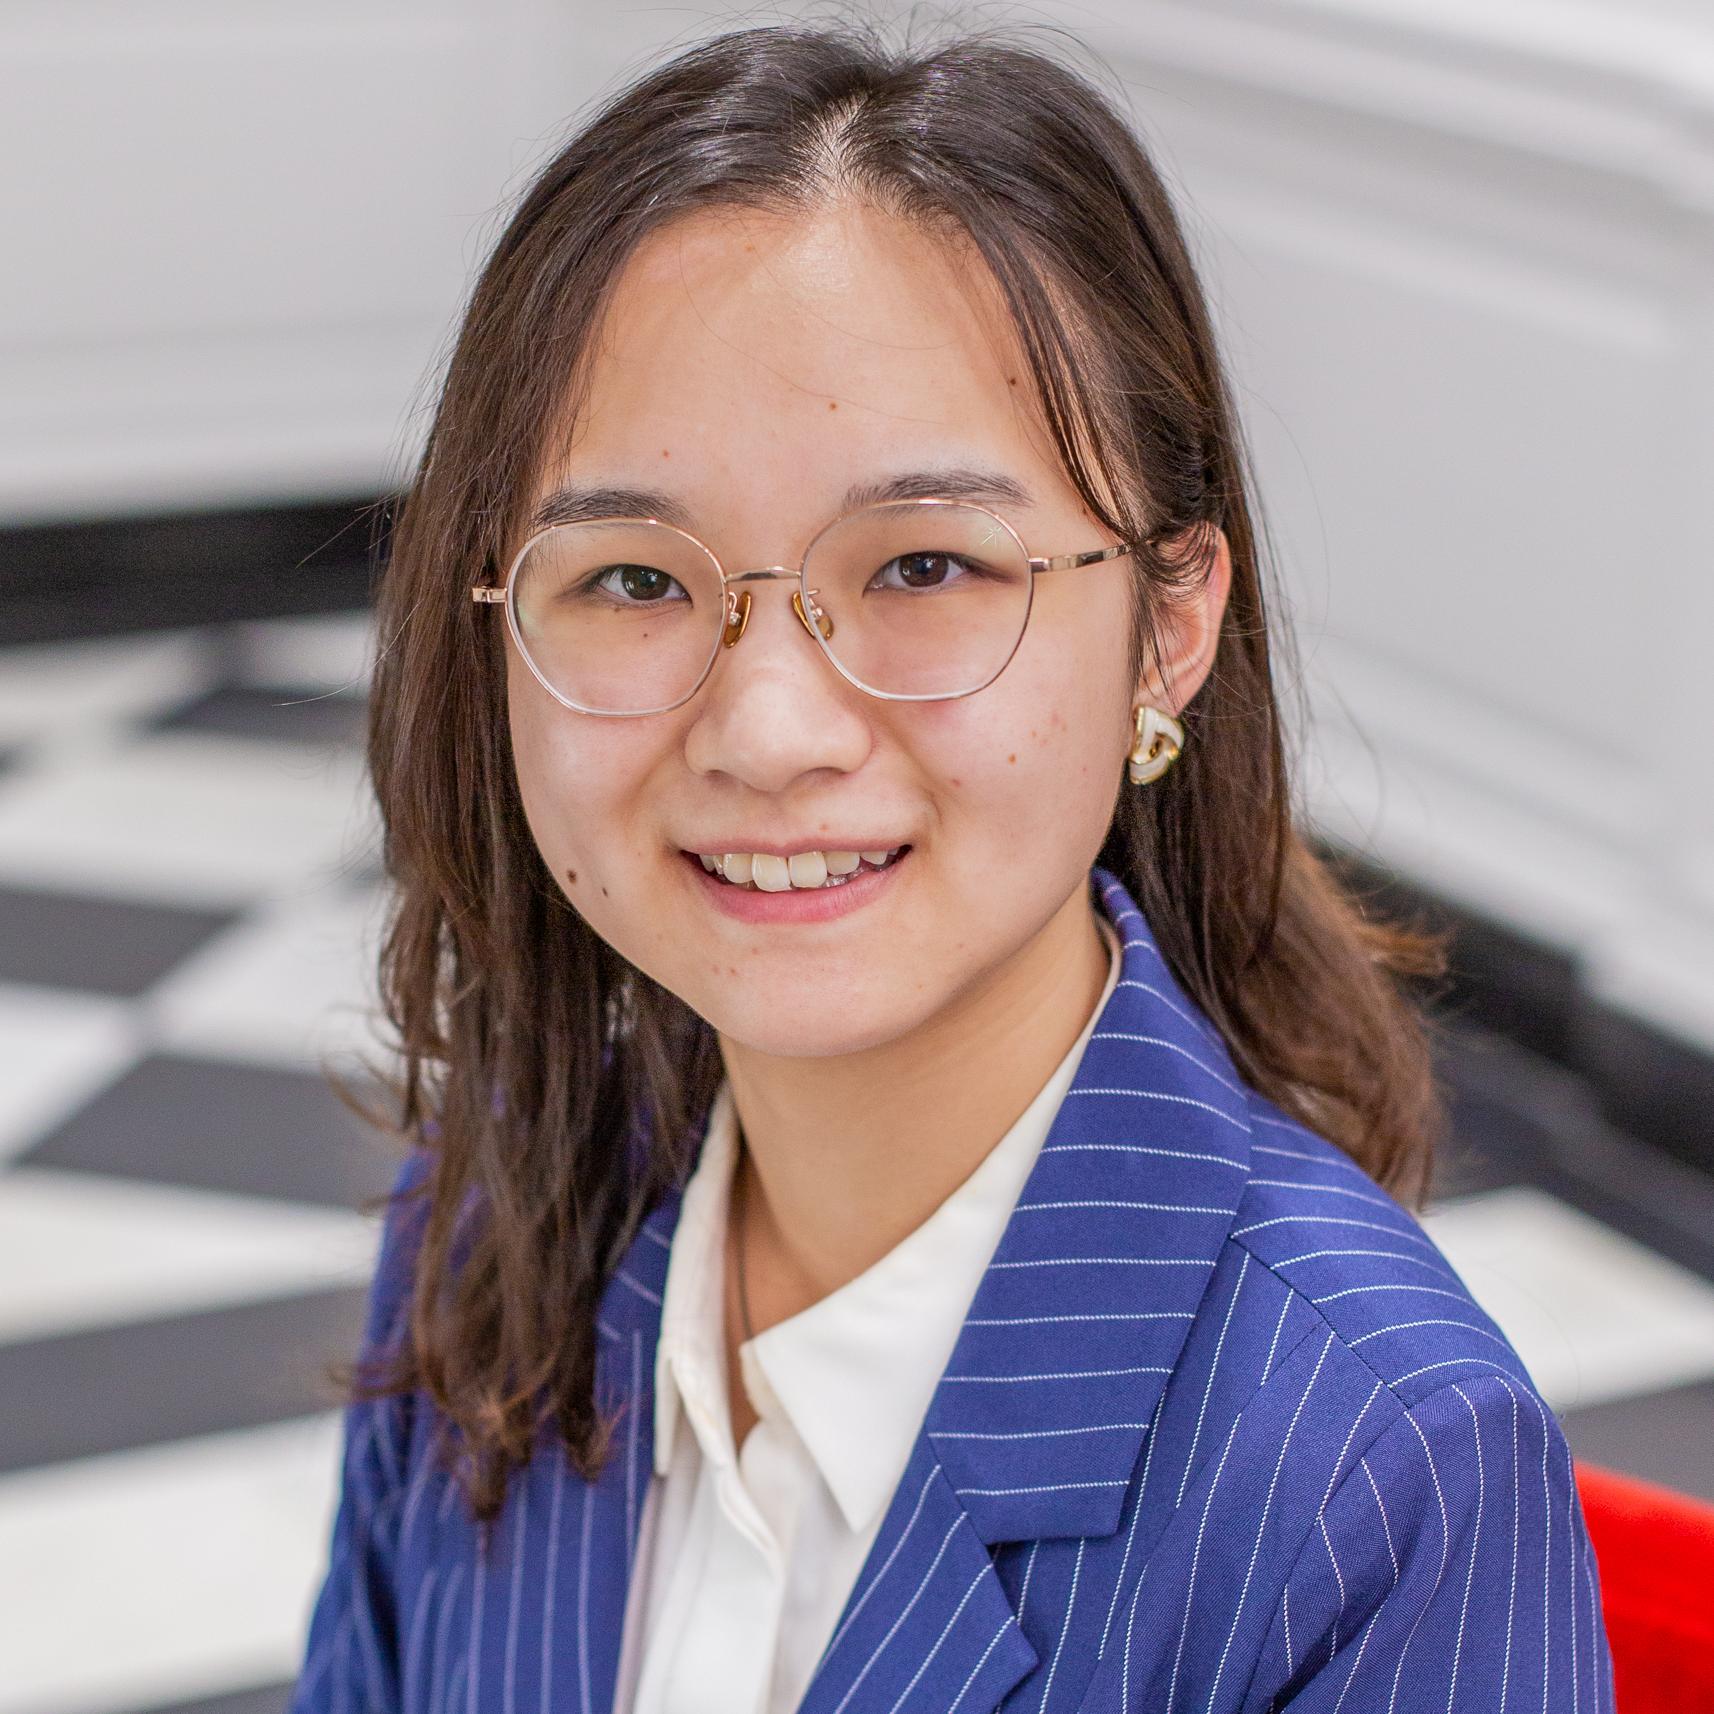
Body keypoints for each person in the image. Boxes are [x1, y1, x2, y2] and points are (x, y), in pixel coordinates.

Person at [288, 18, 1613, 1713]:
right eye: (630, 580)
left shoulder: (1377, 1461)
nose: (766, 727)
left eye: (923, 562)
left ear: (1168, 629)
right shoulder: (490, 1218)